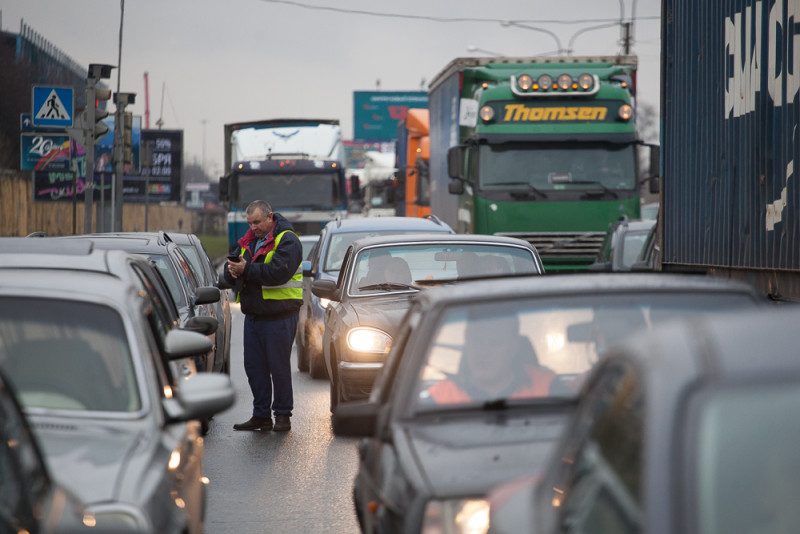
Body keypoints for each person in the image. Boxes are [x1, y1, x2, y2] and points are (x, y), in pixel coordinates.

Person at [224, 200, 303, 432]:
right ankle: (261, 415)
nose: (253, 227)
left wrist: (245, 269)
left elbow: (277, 273)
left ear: (270, 217)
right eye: (250, 223)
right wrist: (231, 270)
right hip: (255, 315)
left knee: (278, 367)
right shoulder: (249, 240)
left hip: (280, 315)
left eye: (257, 222)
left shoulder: (287, 240)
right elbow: (232, 271)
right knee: (255, 368)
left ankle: (282, 416)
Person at [425, 316, 555, 404]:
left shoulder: (548, 388)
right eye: (477, 341)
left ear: (513, 348)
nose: (483, 352)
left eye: (495, 342)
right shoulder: (439, 398)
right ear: (467, 344)